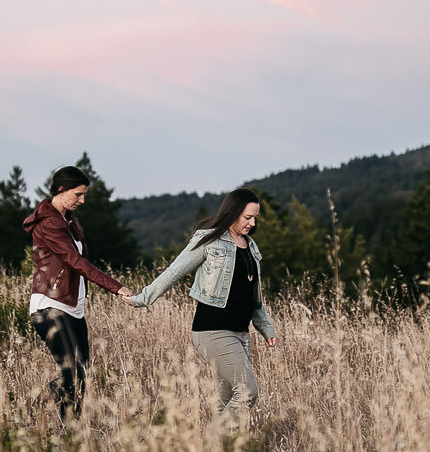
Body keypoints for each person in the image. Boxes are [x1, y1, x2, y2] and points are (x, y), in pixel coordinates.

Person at [129, 188, 277, 431]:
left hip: (241, 333)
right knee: (247, 391)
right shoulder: (208, 240)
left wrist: (265, 328)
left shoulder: (251, 247)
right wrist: (143, 298)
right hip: (213, 330)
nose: (253, 223)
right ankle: (213, 445)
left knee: (225, 399)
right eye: (247, 217)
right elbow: (174, 271)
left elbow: (254, 296)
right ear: (233, 212)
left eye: (255, 218)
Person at [23, 165, 132, 420]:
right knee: (73, 373)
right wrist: (115, 287)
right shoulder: (49, 223)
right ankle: (33, 411)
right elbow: (76, 261)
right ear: (61, 190)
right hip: (49, 305)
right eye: (78, 194)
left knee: (81, 374)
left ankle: (69, 434)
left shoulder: (69, 220)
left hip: (73, 307)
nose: (82, 201)